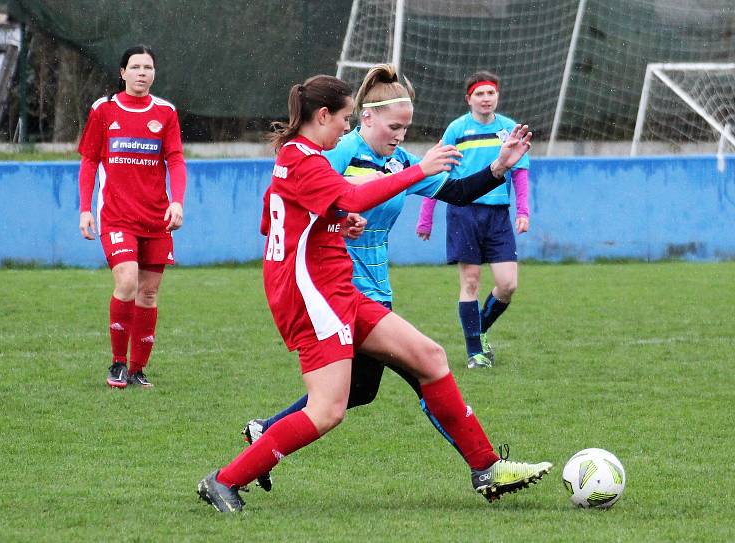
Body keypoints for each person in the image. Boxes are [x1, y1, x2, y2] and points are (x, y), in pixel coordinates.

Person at [196, 74, 550, 513]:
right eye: (345, 119)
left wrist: (332, 223)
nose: (346, 128)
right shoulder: (308, 158)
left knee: (430, 358)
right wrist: (389, 186)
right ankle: (225, 480)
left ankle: (487, 468)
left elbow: (277, 218)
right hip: (314, 297)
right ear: (326, 116)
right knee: (329, 410)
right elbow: (348, 197)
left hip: (337, 288)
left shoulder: (306, 155)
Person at [77, 45, 186, 388]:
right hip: (117, 216)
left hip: (156, 218)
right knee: (126, 282)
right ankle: (117, 364)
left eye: (148, 67)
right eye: (136, 67)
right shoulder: (104, 110)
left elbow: (176, 160)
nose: (142, 72)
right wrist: (84, 209)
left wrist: (178, 202)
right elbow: (89, 161)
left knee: (149, 293)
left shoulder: (166, 112)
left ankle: (138, 371)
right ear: (122, 72)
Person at [416, 70, 530, 369]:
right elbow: (437, 175)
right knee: (471, 281)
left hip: (497, 216)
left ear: (497, 96)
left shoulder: (509, 129)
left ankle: (477, 333)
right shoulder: (456, 130)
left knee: (508, 284)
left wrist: (523, 211)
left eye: (490, 93)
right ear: (469, 99)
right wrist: (426, 218)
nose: (485, 98)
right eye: (479, 94)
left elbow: (520, 172)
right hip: (463, 213)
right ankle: (474, 353)